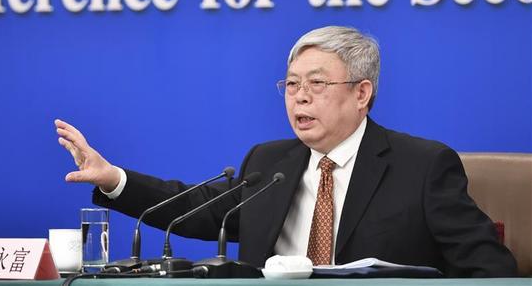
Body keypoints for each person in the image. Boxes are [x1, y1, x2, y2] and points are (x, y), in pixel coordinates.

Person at [54, 26, 517, 277]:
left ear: (362, 93)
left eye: (317, 84)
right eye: (291, 85)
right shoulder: (270, 163)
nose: (299, 97)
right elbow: (198, 209)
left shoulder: (422, 166)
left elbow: (490, 269)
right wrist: (113, 178)